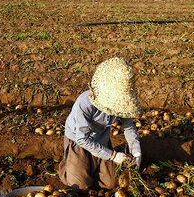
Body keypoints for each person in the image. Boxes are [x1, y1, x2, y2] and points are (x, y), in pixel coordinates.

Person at [58, 57, 143, 190]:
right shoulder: (85, 103)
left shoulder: (123, 104)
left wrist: (136, 151)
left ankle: (90, 164)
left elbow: (129, 126)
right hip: (78, 139)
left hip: (101, 139)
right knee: (80, 186)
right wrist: (113, 155)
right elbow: (82, 138)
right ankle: (68, 165)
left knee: (110, 183)